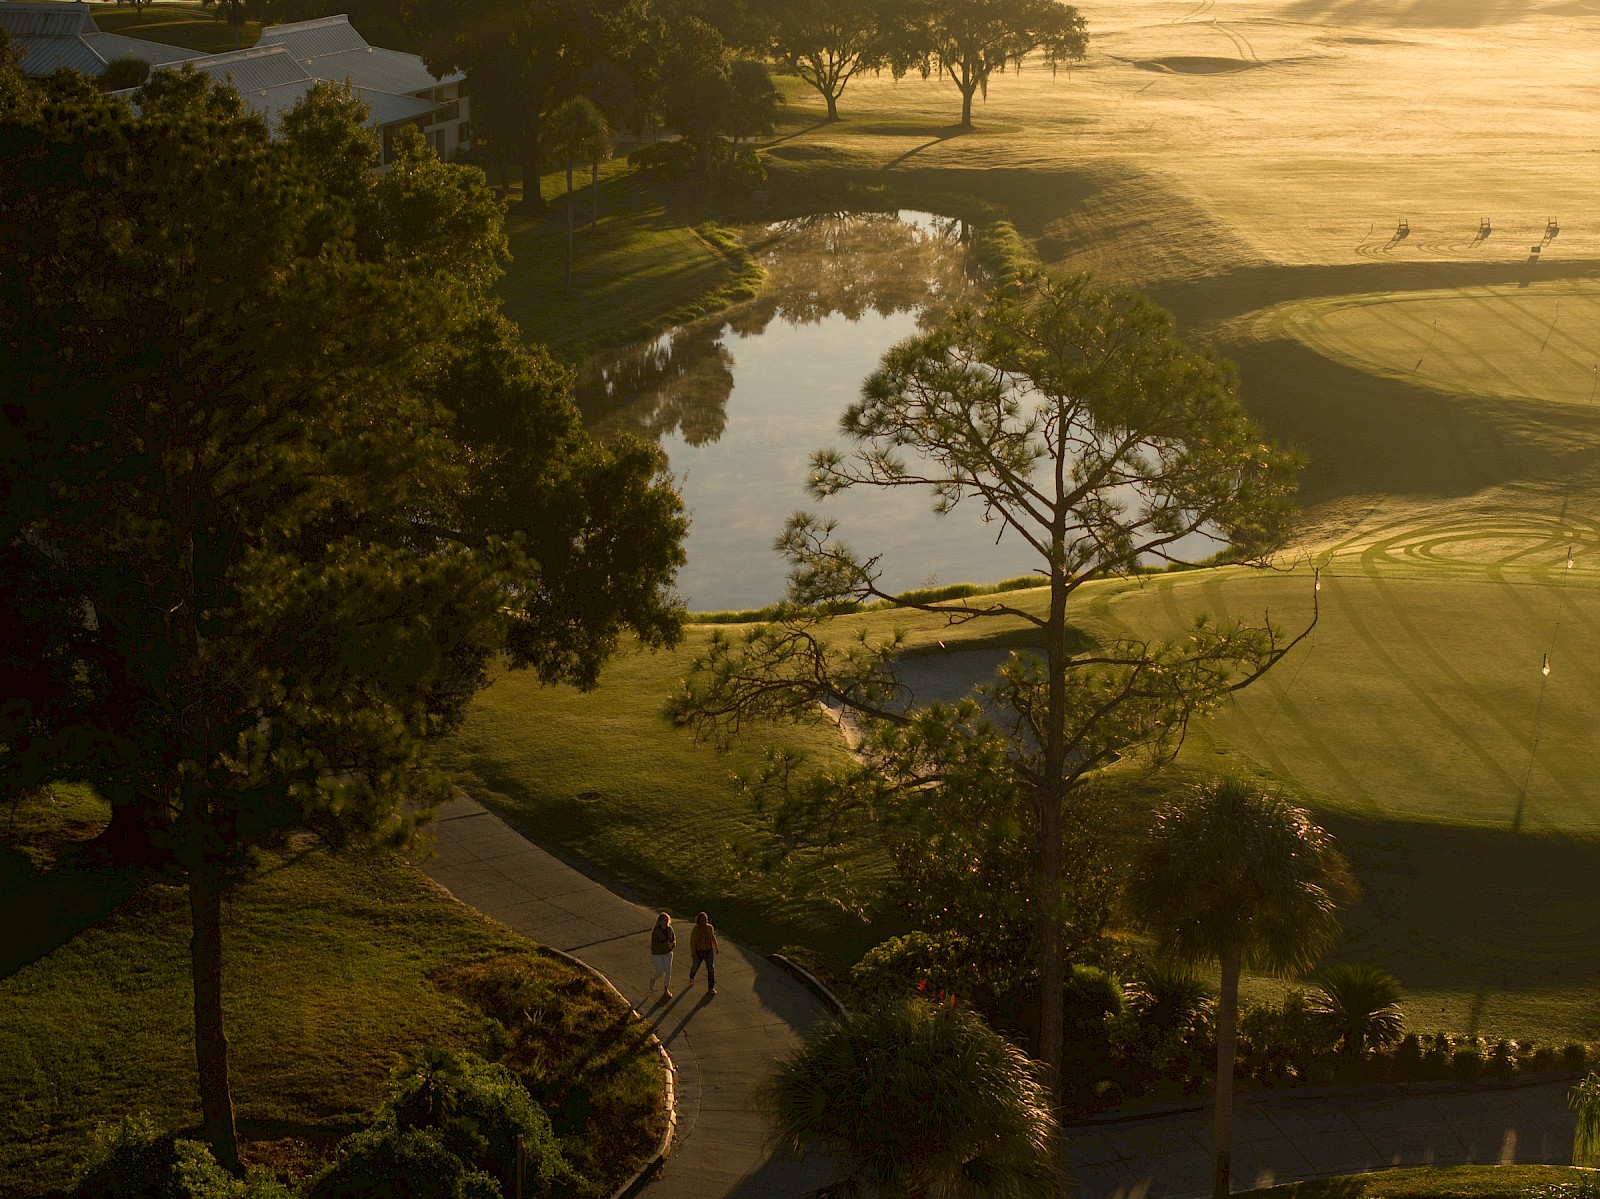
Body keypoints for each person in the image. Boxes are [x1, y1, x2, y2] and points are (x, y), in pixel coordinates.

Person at [688, 911, 719, 996]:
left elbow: (712, 937)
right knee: (695, 966)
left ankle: (711, 987)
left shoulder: (709, 928)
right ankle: (691, 976)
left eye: (705, 920)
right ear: (698, 921)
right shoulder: (696, 929)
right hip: (699, 951)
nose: (704, 922)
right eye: (702, 920)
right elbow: (692, 942)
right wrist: (693, 953)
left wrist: (716, 947)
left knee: (710, 969)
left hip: (708, 950)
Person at [648, 912, 675, 998]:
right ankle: (653, 979)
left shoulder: (670, 929)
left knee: (668, 971)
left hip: (668, 953)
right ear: (660, 921)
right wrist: (666, 945)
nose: (665, 923)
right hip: (657, 954)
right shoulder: (656, 931)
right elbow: (655, 944)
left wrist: (672, 944)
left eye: (667, 920)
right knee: (660, 970)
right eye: (664, 921)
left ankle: (666, 989)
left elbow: (673, 939)